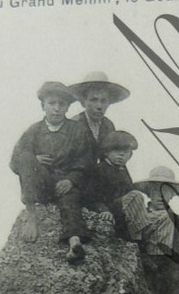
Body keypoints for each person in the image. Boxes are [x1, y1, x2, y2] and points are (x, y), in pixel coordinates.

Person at [9, 81, 95, 263]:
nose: (56, 109)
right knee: (26, 156)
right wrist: (34, 159)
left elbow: (86, 160)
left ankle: (74, 243)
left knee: (70, 203)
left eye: (61, 104)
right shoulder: (34, 131)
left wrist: (72, 180)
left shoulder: (77, 130)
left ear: (67, 107)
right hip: (42, 183)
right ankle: (31, 217)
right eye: (52, 103)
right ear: (43, 105)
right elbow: (15, 161)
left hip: (65, 183)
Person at [68, 71, 130, 154]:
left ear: (109, 103)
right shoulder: (73, 125)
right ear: (83, 102)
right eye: (94, 100)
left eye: (103, 101)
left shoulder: (108, 125)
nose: (99, 106)